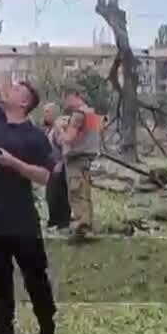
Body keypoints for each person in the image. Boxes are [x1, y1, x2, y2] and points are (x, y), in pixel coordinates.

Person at [0, 19, 58, 334]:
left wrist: (14, 165)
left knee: (35, 276)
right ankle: (4, 332)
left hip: (20, 216)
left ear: (25, 102)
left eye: (18, 86)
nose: (10, 86)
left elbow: (45, 176)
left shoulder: (34, 137)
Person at [61, 86, 103, 240]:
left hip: (76, 159)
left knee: (76, 193)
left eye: (66, 98)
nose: (65, 102)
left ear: (74, 95)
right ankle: (88, 225)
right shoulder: (91, 113)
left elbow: (68, 138)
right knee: (85, 193)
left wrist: (59, 128)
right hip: (88, 158)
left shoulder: (78, 114)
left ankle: (82, 229)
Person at [41, 103, 70, 231]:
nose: (45, 114)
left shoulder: (58, 128)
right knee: (51, 195)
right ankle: (54, 222)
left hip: (59, 167)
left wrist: (61, 163)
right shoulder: (49, 128)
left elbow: (65, 146)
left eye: (47, 112)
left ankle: (62, 223)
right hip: (51, 167)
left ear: (54, 113)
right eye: (44, 112)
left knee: (59, 196)